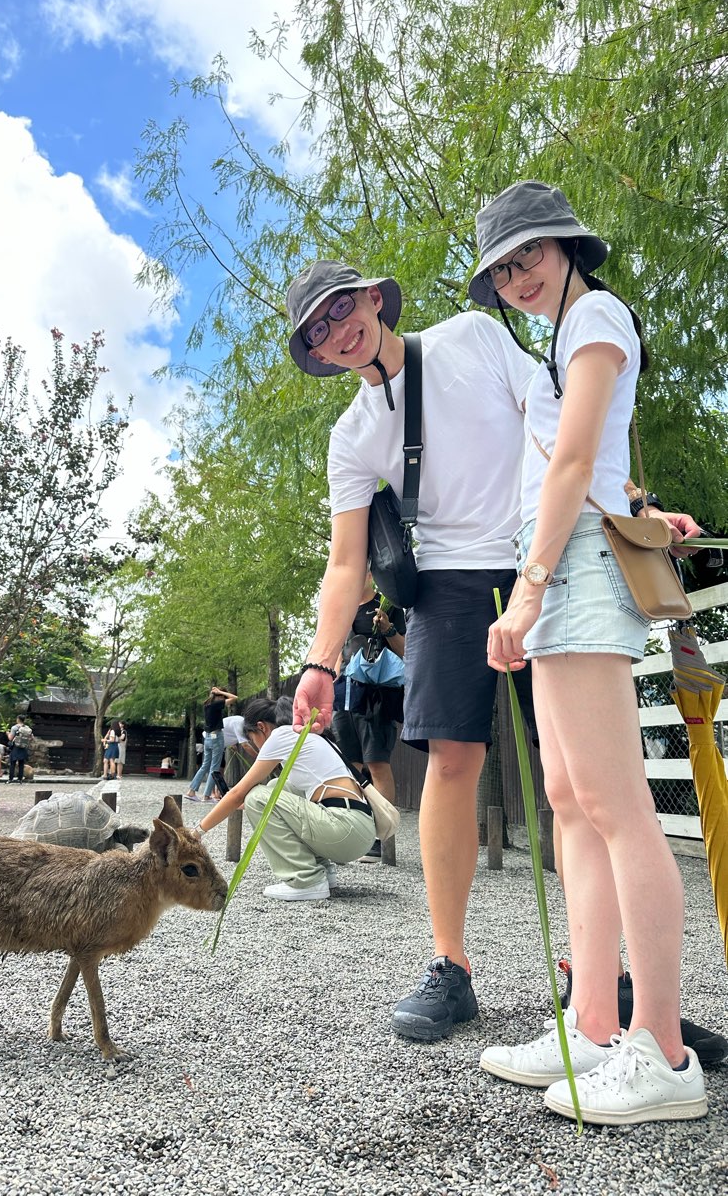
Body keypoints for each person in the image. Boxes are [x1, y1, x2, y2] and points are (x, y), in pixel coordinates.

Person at [285, 258, 701, 1046]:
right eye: (318, 331)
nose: (337, 333)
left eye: (341, 310)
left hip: (541, 552)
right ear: (315, 351)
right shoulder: (353, 435)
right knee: (451, 759)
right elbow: (345, 567)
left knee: (578, 777)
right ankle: (450, 964)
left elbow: (556, 423)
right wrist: (320, 661)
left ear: (374, 299)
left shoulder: (473, 337)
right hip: (445, 582)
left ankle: (608, 982)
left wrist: (635, 507)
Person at [471, 180, 706, 1123]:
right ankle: (597, 1024)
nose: (519, 275)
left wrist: (527, 589)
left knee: (614, 805)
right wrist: (644, 511)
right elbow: (595, 465)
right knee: (572, 802)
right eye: (503, 267)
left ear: (565, 246)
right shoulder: (562, 342)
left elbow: (573, 465)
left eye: (530, 254)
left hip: (568, 575)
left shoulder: (598, 315)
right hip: (564, 566)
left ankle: (663, 1048)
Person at [190, 696, 376, 900]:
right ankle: (322, 869)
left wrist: (197, 832)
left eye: (252, 739)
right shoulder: (311, 735)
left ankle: (306, 880)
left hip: (344, 829)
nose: (257, 748)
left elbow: (237, 793)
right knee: (276, 786)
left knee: (257, 797)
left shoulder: (280, 735)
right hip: (359, 830)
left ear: (261, 728)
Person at [331, 572, 405, 862]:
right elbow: (335, 649)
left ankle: (380, 836)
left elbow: (406, 649)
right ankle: (355, 830)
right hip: (343, 696)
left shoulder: (387, 605)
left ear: (371, 574)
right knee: (349, 765)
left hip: (376, 696)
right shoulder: (342, 606)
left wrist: (387, 629)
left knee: (377, 763)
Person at [186, 686, 237, 802]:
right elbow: (235, 698)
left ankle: (191, 791)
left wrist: (218, 693)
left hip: (207, 738)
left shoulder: (207, 705)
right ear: (218, 696)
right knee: (214, 768)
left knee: (205, 766)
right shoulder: (216, 704)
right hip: (216, 737)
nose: (224, 698)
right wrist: (220, 692)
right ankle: (207, 795)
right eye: (223, 696)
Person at [7, 715, 32, 784]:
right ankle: (19, 779)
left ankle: (10, 779)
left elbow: (10, 738)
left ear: (18, 719)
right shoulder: (27, 728)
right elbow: (31, 738)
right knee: (21, 763)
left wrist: (7, 733)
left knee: (13, 763)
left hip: (16, 746)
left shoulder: (14, 727)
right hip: (23, 747)